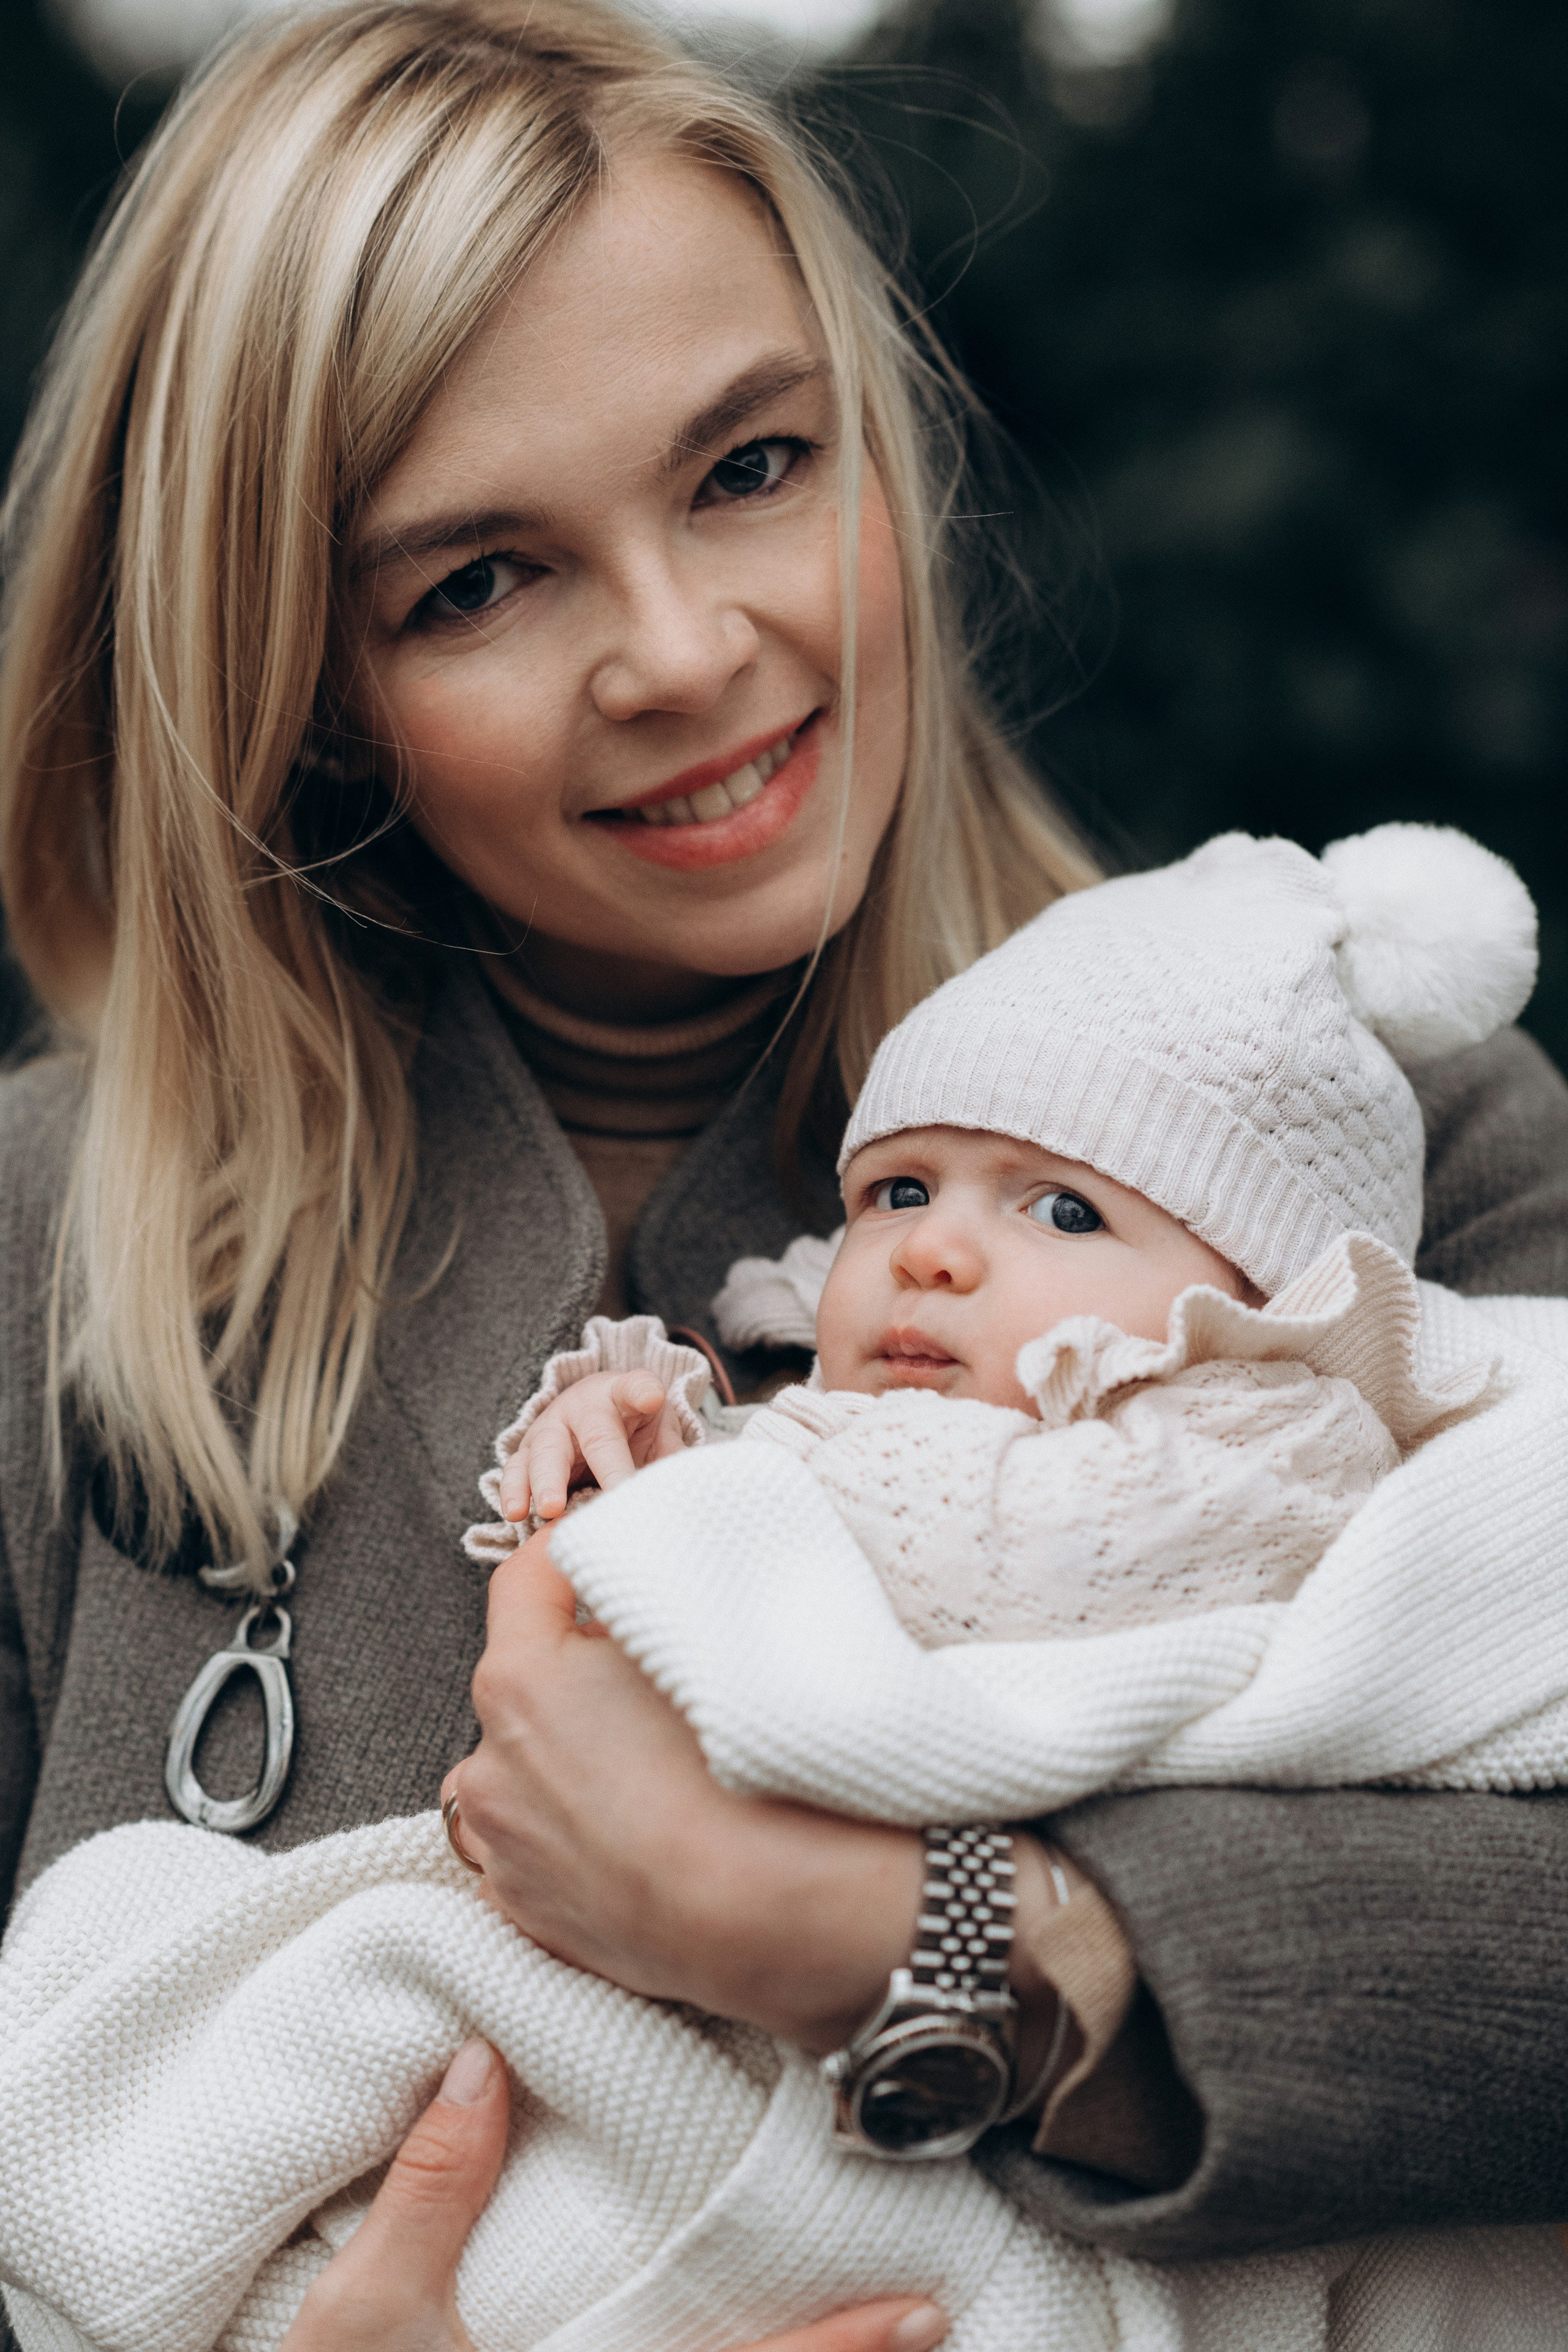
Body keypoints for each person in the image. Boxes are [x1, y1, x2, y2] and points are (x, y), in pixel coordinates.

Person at [1, 0, 1567, 2343]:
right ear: (306, 673)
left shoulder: (1385, 1142)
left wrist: (908, 1942)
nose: (684, 648)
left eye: (747, 468)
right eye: (477, 581)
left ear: (882, 448)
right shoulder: (44, 1247)